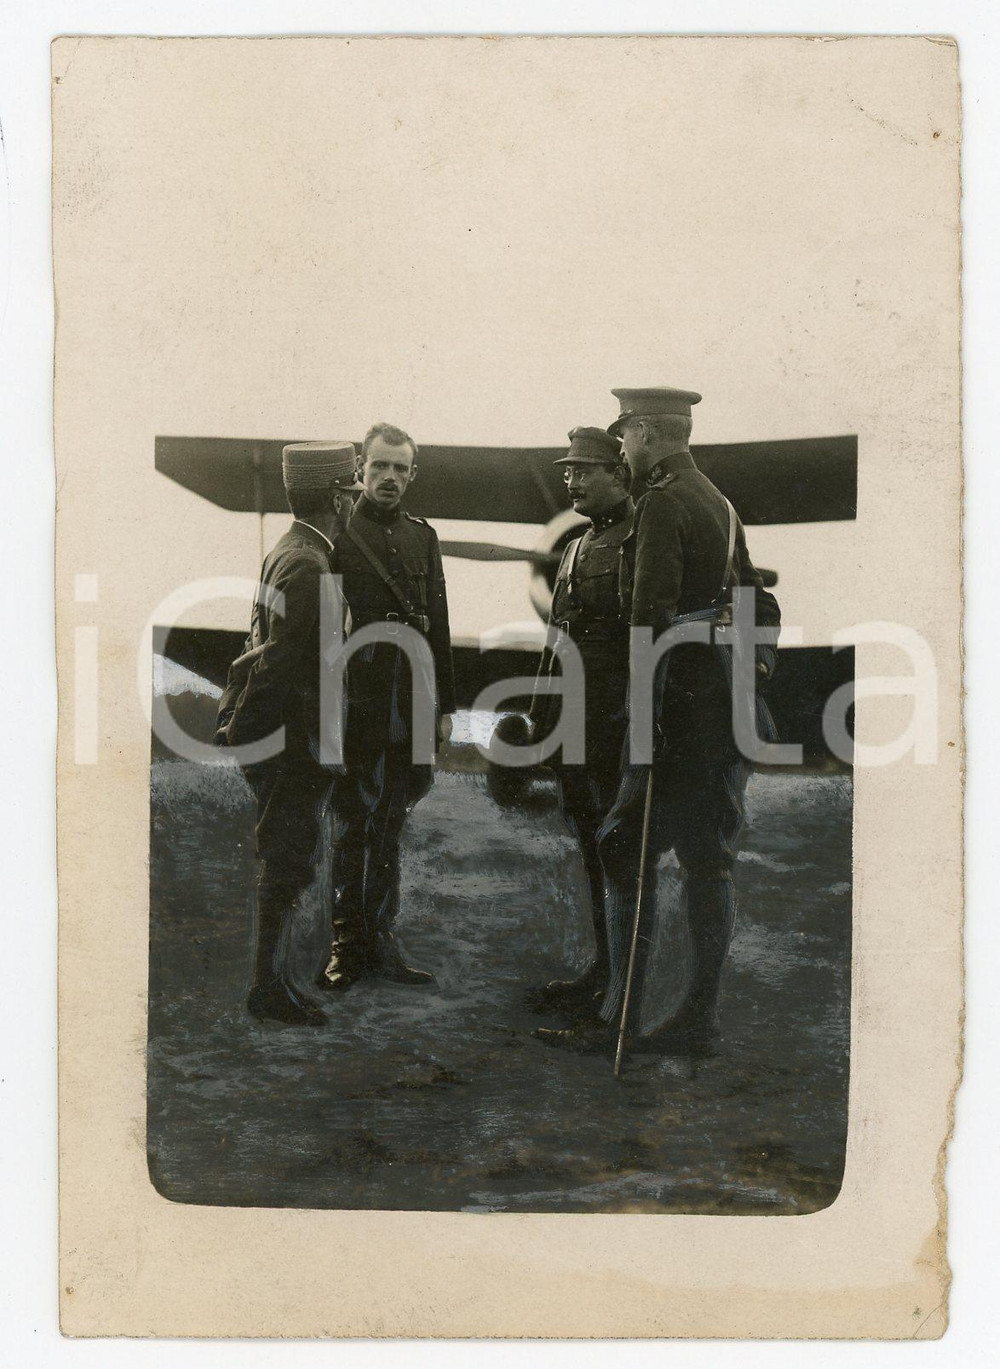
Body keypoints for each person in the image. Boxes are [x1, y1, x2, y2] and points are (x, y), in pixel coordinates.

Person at [537, 387, 781, 1057]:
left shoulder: (662, 504)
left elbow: (647, 622)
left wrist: (641, 729)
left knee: (621, 846)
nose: (621, 448)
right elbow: (760, 604)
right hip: (726, 715)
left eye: (625, 436)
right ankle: (697, 1019)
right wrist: (748, 675)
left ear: (645, 433)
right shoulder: (723, 505)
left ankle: (618, 1016)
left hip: (673, 718)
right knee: (709, 864)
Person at [215, 441, 362, 1027]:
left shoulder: (292, 551)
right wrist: (251, 733)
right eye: (349, 491)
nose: (354, 501)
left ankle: (271, 981)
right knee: (287, 859)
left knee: (288, 857)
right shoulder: (309, 563)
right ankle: (266, 988)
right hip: (294, 741)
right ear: (335, 497)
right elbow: (280, 662)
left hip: (290, 737)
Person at [318, 423, 456, 990]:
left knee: (392, 823)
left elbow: (440, 625)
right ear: (360, 470)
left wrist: (446, 705)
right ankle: (346, 949)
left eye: (401, 469)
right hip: (360, 701)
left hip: (413, 700)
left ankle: (383, 944)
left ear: (412, 475)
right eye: (380, 467)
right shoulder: (338, 538)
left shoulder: (424, 537)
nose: (390, 478)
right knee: (354, 822)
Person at [524, 426, 634, 1018]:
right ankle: (604, 968)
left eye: (584, 470)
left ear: (618, 474)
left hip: (616, 723)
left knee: (618, 850)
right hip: (575, 723)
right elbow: (557, 639)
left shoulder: (641, 540)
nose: (572, 479)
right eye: (567, 470)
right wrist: (539, 714)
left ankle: (623, 988)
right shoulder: (572, 548)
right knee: (592, 846)